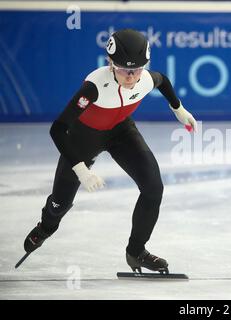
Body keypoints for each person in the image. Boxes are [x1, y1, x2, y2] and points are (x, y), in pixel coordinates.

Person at [21, 29, 198, 273]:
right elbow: (58, 129)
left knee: (153, 188)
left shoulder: (145, 78)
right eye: (124, 69)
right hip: (83, 139)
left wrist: (178, 109)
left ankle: (136, 251)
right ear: (110, 64)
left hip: (121, 132)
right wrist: (80, 168)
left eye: (136, 69)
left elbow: (163, 81)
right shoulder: (93, 87)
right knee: (60, 205)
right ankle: (45, 228)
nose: (131, 76)